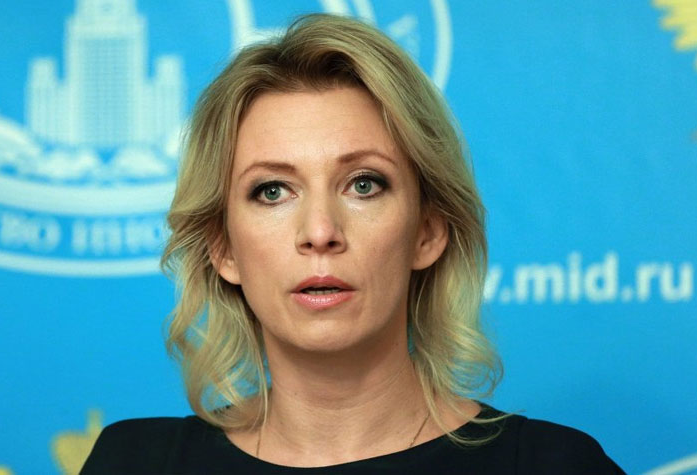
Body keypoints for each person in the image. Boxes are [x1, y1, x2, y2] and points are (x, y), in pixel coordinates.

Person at [81, 14, 623, 474]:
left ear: (428, 231)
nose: (320, 232)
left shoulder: (555, 465)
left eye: (364, 184)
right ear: (223, 248)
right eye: (273, 191)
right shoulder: (133, 462)